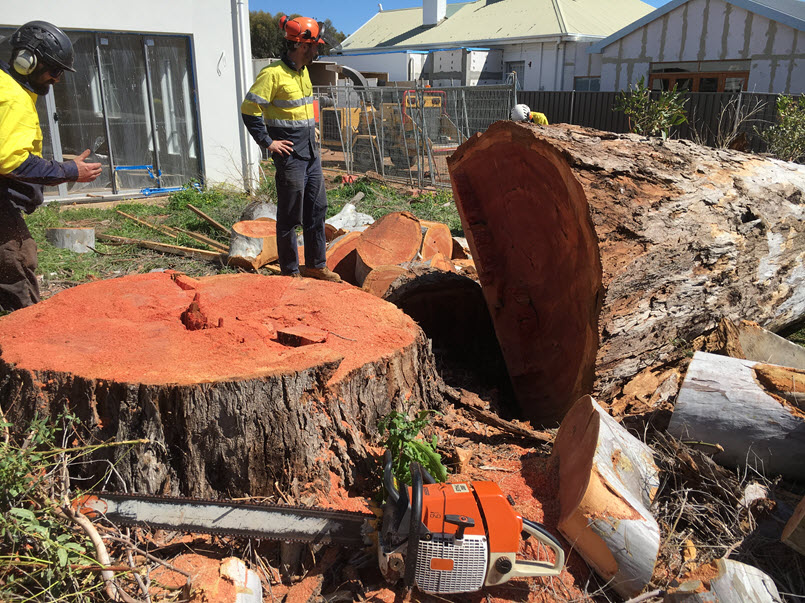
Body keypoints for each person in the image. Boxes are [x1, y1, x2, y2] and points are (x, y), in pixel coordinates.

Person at [0, 21, 102, 312]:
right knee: (15, 264)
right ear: (27, 60)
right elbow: (10, 161)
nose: (57, 79)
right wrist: (69, 171)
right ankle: (24, 332)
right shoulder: (13, 98)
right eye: (54, 70)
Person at [240, 16, 341, 282]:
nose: (317, 51)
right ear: (302, 45)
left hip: (310, 152)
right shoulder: (272, 74)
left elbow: (300, 108)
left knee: (316, 209)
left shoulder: (303, 71)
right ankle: (290, 272)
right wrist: (268, 142)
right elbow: (249, 109)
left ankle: (316, 265)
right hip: (290, 157)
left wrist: (311, 128)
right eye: (315, 46)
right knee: (289, 216)